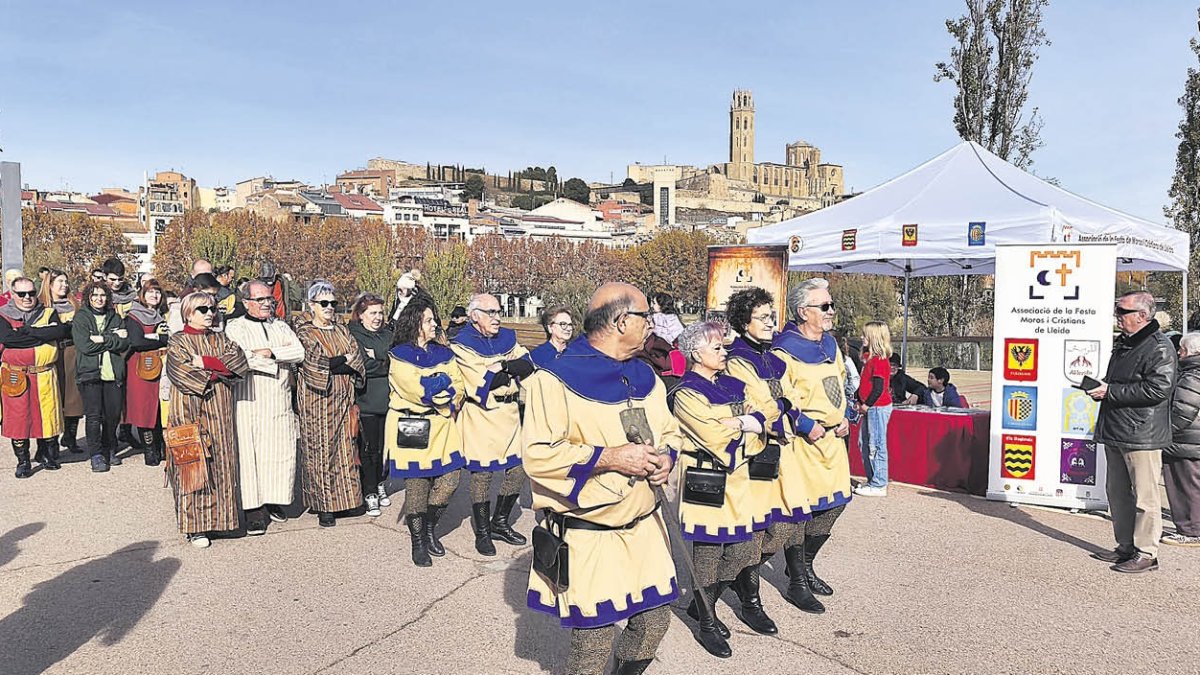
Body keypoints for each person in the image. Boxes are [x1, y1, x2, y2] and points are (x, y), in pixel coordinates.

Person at [524, 282, 681, 675]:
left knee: (654, 623)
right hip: (590, 534)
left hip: (646, 529)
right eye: (646, 316)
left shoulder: (646, 375)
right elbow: (538, 455)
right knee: (593, 643)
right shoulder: (553, 378)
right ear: (622, 320)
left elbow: (670, 431)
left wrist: (666, 457)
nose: (652, 324)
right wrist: (611, 458)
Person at [670, 319, 773, 658]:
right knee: (709, 555)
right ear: (695, 353)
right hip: (707, 481)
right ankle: (707, 623)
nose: (724, 351)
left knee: (741, 551)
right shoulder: (686, 392)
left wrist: (742, 423)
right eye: (716, 347)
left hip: (738, 480)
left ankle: (703, 605)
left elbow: (762, 418)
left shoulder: (733, 383)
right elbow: (713, 438)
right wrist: (746, 424)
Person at [724, 287, 823, 620]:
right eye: (763, 317)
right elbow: (765, 408)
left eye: (772, 316)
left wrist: (783, 409)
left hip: (785, 451)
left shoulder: (773, 356)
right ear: (743, 321)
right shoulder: (737, 358)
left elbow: (791, 400)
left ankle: (724, 586)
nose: (771, 323)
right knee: (756, 529)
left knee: (790, 521)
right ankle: (749, 600)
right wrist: (783, 410)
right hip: (756, 456)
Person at [772, 278, 852, 602]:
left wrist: (846, 416)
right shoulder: (783, 349)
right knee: (799, 513)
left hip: (832, 441)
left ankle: (804, 566)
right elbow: (776, 396)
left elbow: (841, 383)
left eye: (831, 304)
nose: (831, 310)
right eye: (824, 306)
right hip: (803, 443)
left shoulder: (831, 345)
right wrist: (804, 423)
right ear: (804, 312)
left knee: (835, 504)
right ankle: (797, 583)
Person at [1089, 291, 1178, 573]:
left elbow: (1158, 389)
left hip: (1142, 433)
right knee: (1117, 492)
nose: (1118, 316)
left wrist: (1110, 392)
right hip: (1116, 427)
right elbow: (1124, 381)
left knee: (1145, 496)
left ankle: (1147, 552)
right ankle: (1125, 545)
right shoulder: (1125, 343)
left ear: (1142, 315)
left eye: (1122, 311)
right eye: (1117, 310)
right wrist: (1103, 388)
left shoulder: (1159, 347)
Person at [385, 295, 466, 566]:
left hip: (443, 425)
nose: (435, 325)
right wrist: (439, 386)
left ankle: (429, 527)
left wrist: (442, 387)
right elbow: (417, 390)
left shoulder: (443, 353)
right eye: (429, 320)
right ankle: (418, 542)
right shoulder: (399, 356)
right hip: (413, 427)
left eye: (434, 320)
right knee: (418, 487)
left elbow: (458, 385)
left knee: (451, 481)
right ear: (415, 323)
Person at [164, 291, 250, 548]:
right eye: (203, 309)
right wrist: (217, 370)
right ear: (189, 312)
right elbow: (180, 372)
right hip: (189, 410)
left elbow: (238, 362)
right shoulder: (177, 341)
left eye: (213, 308)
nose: (210, 313)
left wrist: (207, 363)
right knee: (192, 464)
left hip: (220, 408)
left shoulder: (221, 338)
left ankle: (221, 521)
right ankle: (195, 527)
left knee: (222, 462)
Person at [451, 293, 534, 555]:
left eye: (499, 312)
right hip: (482, 415)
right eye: (492, 312)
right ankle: (482, 531)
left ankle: (499, 522)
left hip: (509, 413)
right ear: (475, 316)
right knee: (483, 475)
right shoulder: (462, 343)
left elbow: (527, 364)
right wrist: (506, 369)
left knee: (518, 469)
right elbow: (483, 381)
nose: (498, 317)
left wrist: (503, 366)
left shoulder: (508, 337)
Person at [225, 281, 305, 535]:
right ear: (246, 302)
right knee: (252, 456)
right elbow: (242, 358)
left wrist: (271, 352)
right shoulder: (235, 327)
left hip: (278, 399)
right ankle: (253, 510)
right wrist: (272, 358)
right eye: (260, 299)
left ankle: (274, 500)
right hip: (250, 399)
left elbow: (299, 352)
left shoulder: (280, 325)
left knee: (280, 452)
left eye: (269, 299)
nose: (266, 303)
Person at [294, 280, 367, 528]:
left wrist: (339, 361)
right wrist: (339, 361)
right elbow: (314, 361)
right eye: (324, 303)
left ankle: (346, 500)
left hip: (344, 397)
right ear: (312, 305)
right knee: (321, 450)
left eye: (333, 303)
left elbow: (355, 356)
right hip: (318, 399)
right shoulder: (305, 331)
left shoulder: (341, 329)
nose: (329, 307)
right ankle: (324, 505)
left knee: (346, 446)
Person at [0, 277, 70, 478]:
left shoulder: (48, 312)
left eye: (31, 292)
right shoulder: (4, 315)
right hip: (16, 375)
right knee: (18, 420)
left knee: (46, 416)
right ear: (13, 295)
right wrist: (42, 335)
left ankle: (47, 455)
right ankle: (23, 462)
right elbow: (7, 339)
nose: (27, 297)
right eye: (22, 294)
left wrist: (27, 332)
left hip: (44, 373)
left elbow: (60, 331)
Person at [73, 282, 131, 472]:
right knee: (94, 416)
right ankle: (96, 454)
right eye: (95, 295)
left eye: (103, 295)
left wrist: (101, 338)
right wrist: (111, 338)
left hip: (112, 373)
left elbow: (124, 343)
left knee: (113, 416)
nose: (99, 298)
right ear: (88, 298)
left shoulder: (114, 317)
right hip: (90, 374)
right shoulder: (81, 318)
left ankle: (109, 448)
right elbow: (85, 346)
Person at [348, 293, 392, 517]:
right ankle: (370, 490)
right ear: (361, 315)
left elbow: (395, 360)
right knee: (369, 448)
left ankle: (381, 481)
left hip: (389, 400)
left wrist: (380, 359)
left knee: (387, 449)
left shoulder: (388, 334)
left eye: (380, 312)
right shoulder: (354, 334)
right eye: (373, 313)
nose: (378, 317)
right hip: (366, 401)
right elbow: (363, 366)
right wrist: (382, 362)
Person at [124, 281, 170, 466]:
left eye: (157, 292)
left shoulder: (164, 314)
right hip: (142, 366)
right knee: (145, 409)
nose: (154, 296)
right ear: (142, 294)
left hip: (163, 364)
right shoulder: (134, 316)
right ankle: (149, 449)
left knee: (161, 407)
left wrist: (153, 338)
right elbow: (136, 342)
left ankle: (161, 446)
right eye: (150, 292)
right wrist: (160, 339)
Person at [39, 269, 83, 455]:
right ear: (50, 285)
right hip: (52, 353)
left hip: (73, 352)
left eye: (66, 281)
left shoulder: (75, 304)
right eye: (60, 282)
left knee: (75, 397)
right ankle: (50, 443)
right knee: (54, 397)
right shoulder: (42, 306)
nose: (64, 285)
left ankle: (70, 437)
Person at [1164, 332, 1200, 547]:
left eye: (1182, 349)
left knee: (1185, 486)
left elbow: (1183, 412)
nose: (1179, 353)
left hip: (1185, 441)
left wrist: (1164, 433)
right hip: (1191, 441)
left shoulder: (1192, 375)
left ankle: (1191, 531)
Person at [853, 321, 894, 497]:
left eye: (865, 335)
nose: (862, 338)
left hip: (877, 407)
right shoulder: (869, 359)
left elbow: (879, 387)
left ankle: (879, 483)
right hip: (870, 406)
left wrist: (866, 404)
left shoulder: (879, 360)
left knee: (876, 444)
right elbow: (865, 384)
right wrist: (857, 398)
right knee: (864, 443)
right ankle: (872, 479)